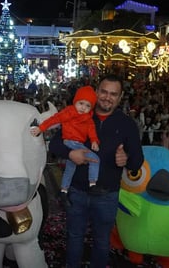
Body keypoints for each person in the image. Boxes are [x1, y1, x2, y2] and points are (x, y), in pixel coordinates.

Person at [48, 74, 144, 268]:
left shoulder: (126, 124)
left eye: (113, 94)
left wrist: (126, 159)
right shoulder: (77, 112)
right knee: (74, 236)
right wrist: (70, 153)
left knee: (102, 241)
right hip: (77, 191)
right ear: (96, 92)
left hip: (107, 195)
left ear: (120, 97)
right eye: (104, 92)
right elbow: (54, 145)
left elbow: (137, 161)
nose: (107, 97)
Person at [31, 86, 100, 206]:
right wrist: (40, 128)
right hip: (72, 142)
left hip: (76, 143)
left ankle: (63, 190)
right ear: (75, 102)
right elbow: (54, 119)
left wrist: (94, 141)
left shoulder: (88, 119)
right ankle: (93, 183)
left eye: (88, 106)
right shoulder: (69, 112)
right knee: (95, 159)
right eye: (81, 103)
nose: (83, 108)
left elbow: (92, 130)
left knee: (70, 167)